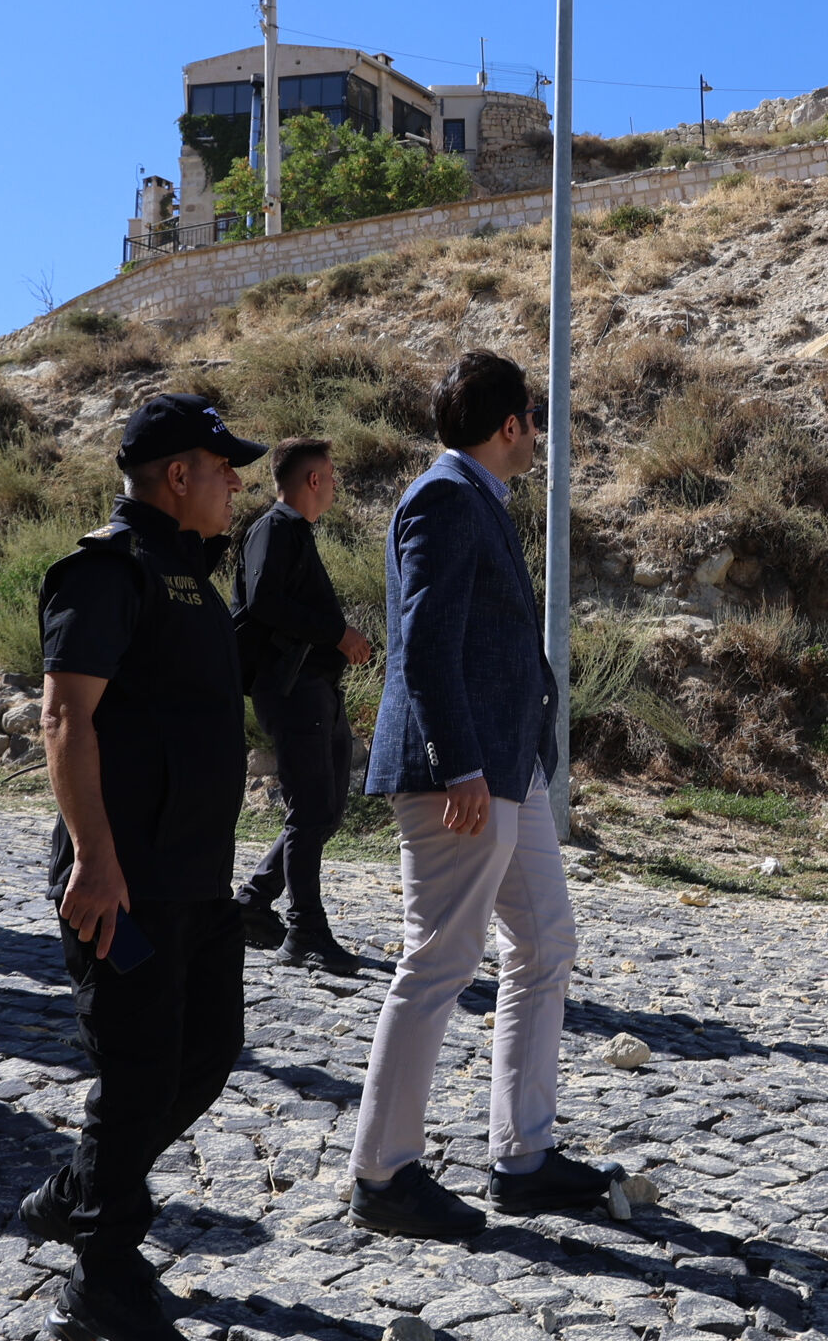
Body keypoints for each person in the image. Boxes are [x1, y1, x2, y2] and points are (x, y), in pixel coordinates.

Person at [19, 394, 263, 1341]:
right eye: (222, 467)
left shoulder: (190, 574)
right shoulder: (106, 570)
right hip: (122, 877)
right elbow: (64, 717)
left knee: (206, 1053)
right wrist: (92, 859)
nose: (235, 482)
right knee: (139, 1071)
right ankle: (102, 1278)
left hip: (196, 873)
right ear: (177, 475)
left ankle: (79, 1188)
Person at [348, 350, 608, 1241]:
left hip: (504, 768)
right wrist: (457, 762)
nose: (539, 435)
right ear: (509, 426)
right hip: (460, 774)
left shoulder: (475, 498)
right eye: (534, 420)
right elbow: (423, 644)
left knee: (545, 942)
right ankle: (382, 1173)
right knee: (437, 962)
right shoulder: (446, 499)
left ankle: (523, 1158)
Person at [231, 436, 373, 974]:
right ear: (313, 480)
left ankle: (253, 902)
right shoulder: (274, 528)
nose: (335, 483)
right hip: (292, 691)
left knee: (325, 809)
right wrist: (338, 633)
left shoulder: (293, 532)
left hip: (316, 690)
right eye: (331, 474)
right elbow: (264, 602)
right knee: (310, 809)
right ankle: (305, 932)